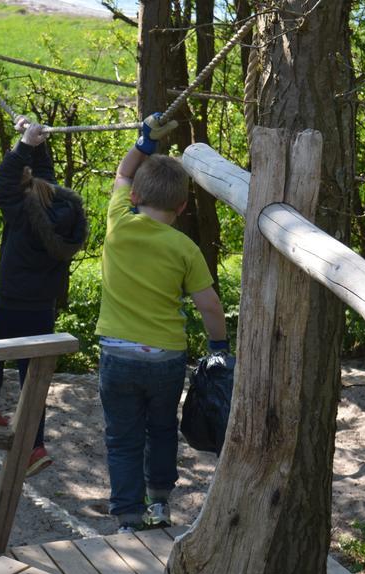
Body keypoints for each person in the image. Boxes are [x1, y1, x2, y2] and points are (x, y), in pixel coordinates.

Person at [95, 113, 229, 534]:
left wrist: (145, 142)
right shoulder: (184, 248)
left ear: (135, 196)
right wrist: (219, 349)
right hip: (165, 356)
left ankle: (127, 517)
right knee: (161, 428)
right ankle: (160, 505)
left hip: (117, 353)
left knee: (122, 437)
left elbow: (121, 172)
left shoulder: (118, 221)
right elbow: (209, 306)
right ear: (182, 207)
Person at [0, 115, 88, 477]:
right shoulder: (65, 208)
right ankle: (35, 445)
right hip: (42, 305)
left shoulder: (20, 211)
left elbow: (6, 182)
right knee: (33, 377)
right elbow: (42, 177)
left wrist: (23, 146)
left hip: (11, 299)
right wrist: (35, 146)